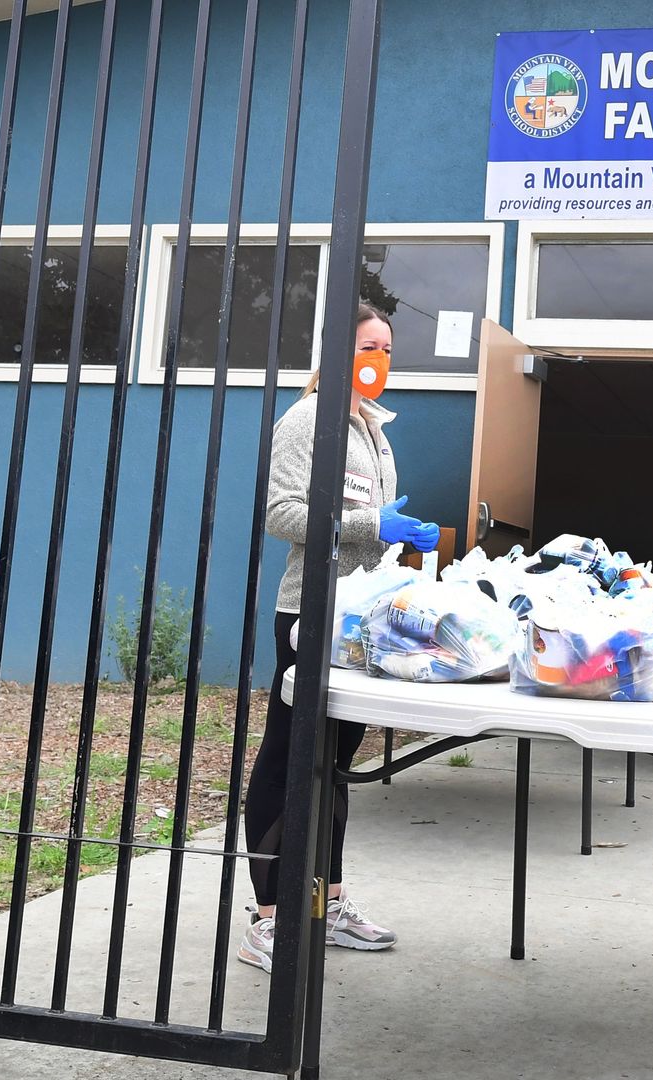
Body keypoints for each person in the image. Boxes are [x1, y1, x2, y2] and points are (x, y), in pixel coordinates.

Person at [236, 303, 440, 972]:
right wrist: (372, 525)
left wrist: (395, 537)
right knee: (289, 758)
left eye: (386, 346)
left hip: (361, 619)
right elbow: (280, 512)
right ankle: (268, 917)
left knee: (336, 764)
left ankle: (329, 902)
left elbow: (367, 518)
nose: (380, 357)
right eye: (367, 345)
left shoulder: (372, 429)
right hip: (310, 613)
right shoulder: (308, 420)